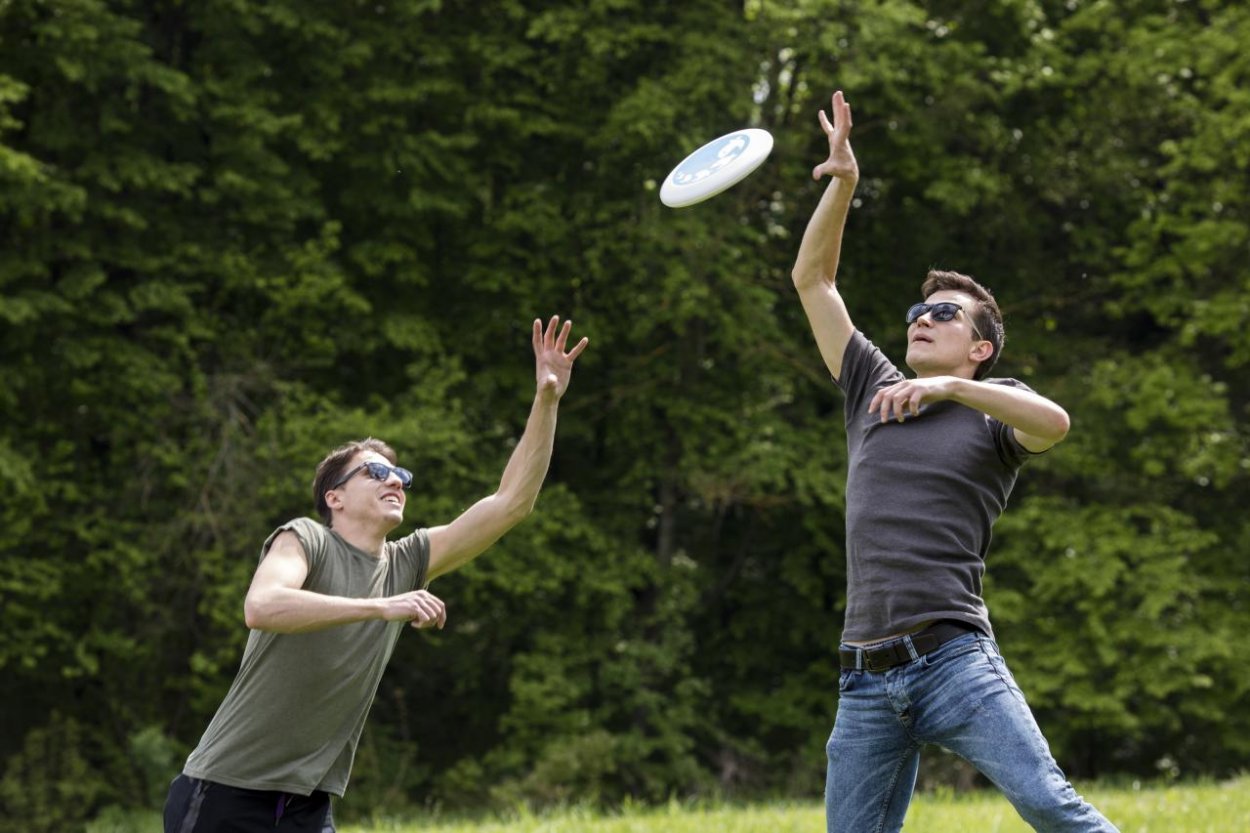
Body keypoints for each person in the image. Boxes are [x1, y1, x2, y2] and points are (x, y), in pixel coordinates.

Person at [792, 91, 1119, 833]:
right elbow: (813, 282)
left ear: (981, 349)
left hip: (953, 662)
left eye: (944, 313)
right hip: (863, 678)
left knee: (1049, 804)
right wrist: (843, 185)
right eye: (917, 311)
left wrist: (947, 387)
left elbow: (1055, 423)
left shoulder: (993, 406)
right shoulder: (871, 386)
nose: (922, 319)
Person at [164, 316, 589, 832]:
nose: (396, 481)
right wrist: (381, 606)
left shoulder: (407, 561)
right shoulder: (306, 538)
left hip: (307, 808)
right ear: (334, 498)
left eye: (401, 475)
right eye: (377, 471)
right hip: (225, 795)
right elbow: (262, 606)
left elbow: (510, 504)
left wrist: (547, 401)